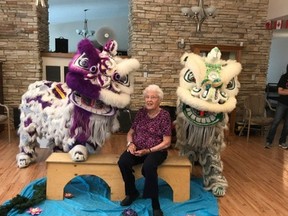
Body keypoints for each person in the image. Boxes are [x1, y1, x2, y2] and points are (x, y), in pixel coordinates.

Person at [117, 84, 172, 216]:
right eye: (147, 97)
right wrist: (130, 144)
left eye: (153, 97)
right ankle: (132, 193)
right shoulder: (141, 113)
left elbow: (167, 142)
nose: (149, 100)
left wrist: (148, 150)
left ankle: (155, 205)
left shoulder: (164, 116)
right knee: (123, 162)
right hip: (138, 148)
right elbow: (130, 133)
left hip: (157, 150)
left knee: (148, 167)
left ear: (159, 100)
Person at [265, 64, 288, 149]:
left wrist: (285, 90)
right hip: (282, 103)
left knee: (287, 125)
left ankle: (282, 142)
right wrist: (284, 91)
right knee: (276, 122)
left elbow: (283, 90)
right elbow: (280, 91)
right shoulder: (284, 77)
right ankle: (269, 141)